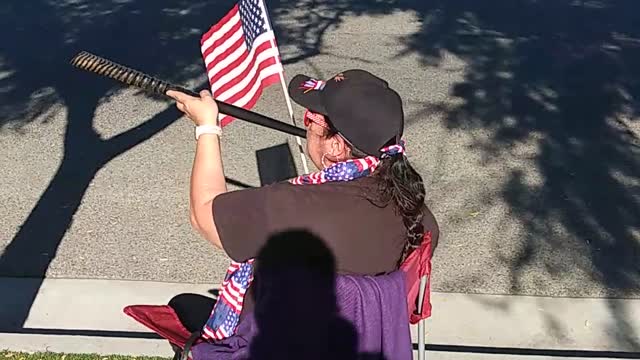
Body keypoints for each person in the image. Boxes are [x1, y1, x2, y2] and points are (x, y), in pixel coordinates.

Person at [165, 68, 439, 326]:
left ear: (335, 145)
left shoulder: (295, 206)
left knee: (182, 305)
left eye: (311, 119)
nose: (305, 123)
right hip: (358, 346)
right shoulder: (418, 216)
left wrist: (206, 128)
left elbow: (203, 213)